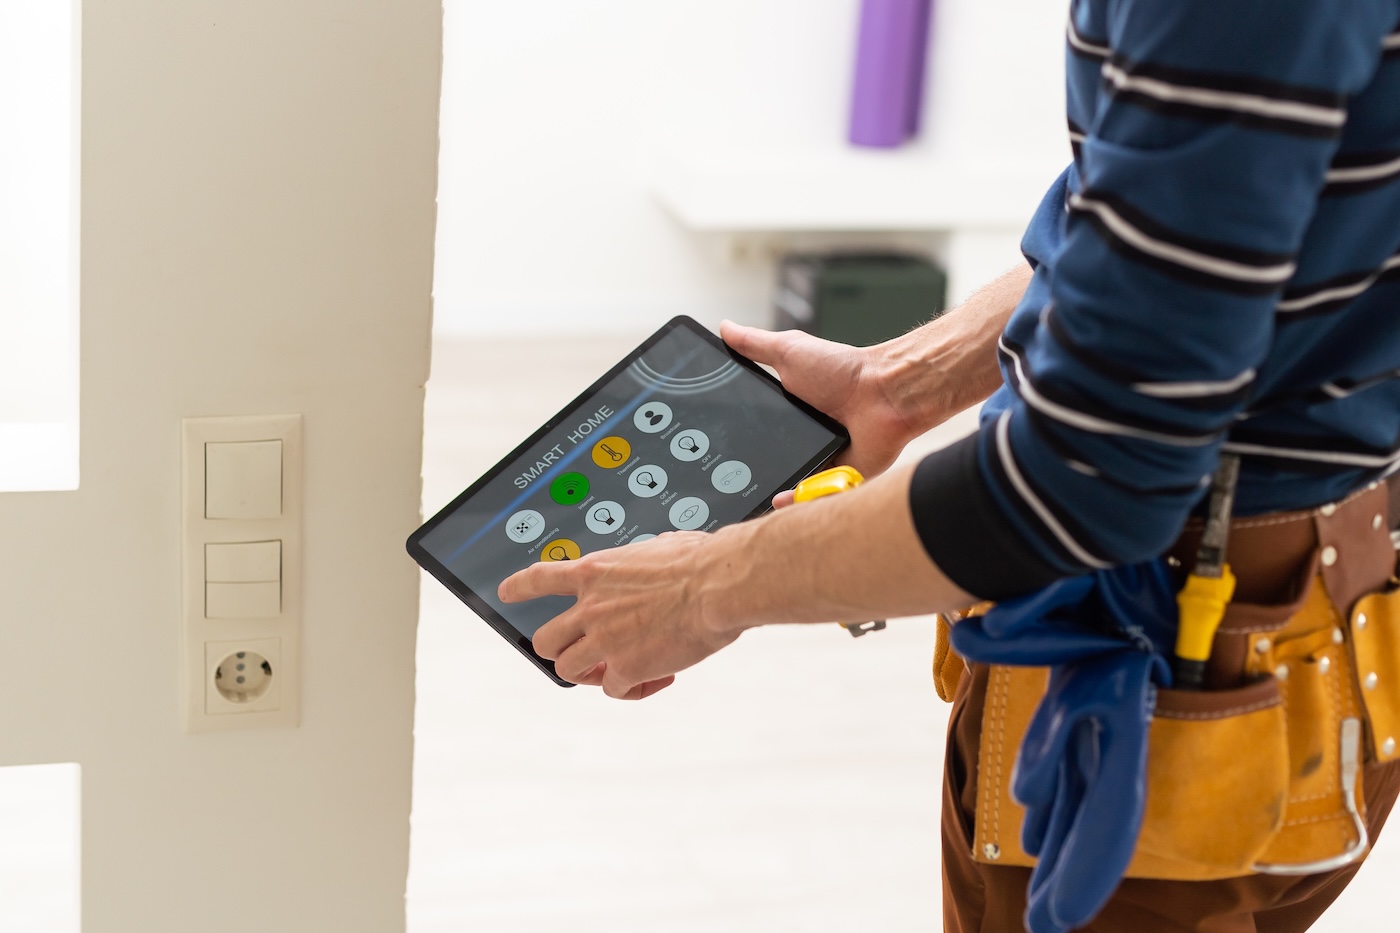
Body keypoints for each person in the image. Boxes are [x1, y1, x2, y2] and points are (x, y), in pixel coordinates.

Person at [501, 1, 1400, 929]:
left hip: (1170, 670)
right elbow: (1181, 217)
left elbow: (1082, 484)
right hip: (1317, 596)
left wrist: (702, 587)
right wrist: (898, 385)